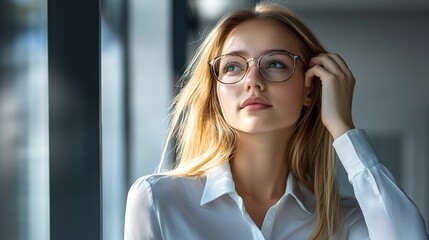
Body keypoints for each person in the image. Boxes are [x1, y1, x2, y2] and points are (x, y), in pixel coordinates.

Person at [124, 3, 428, 240]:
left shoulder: (341, 220)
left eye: (275, 63)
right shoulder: (158, 201)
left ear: (311, 88)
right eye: (232, 66)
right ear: (215, 91)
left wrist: (343, 128)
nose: (253, 81)